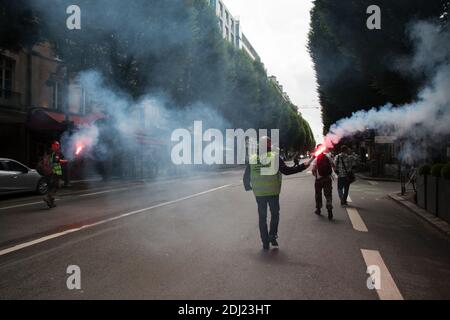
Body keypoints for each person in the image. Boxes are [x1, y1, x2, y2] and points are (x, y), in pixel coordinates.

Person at [243, 137, 314, 251]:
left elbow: (246, 176)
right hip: (273, 192)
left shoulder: (253, 158)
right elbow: (287, 171)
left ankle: (265, 241)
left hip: (259, 194)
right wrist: (304, 166)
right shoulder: (275, 156)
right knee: (275, 215)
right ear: (268, 144)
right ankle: (272, 236)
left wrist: (248, 187)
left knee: (262, 217)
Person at [311, 145, 336, 220]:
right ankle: (329, 209)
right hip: (327, 179)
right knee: (328, 195)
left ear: (317, 149)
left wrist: (316, 175)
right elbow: (333, 165)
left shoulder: (316, 158)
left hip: (319, 180)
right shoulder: (328, 157)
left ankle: (318, 209)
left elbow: (313, 170)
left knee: (318, 195)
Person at [43, 141, 68, 208]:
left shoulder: (50, 152)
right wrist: (65, 161)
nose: (58, 146)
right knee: (56, 186)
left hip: (49, 172)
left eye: (58, 145)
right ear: (53, 145)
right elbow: (57, 160)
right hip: (55, 172)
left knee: (52, 186)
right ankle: (48, 197)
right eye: (56, 145)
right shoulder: (56, 153)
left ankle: (51, 203)